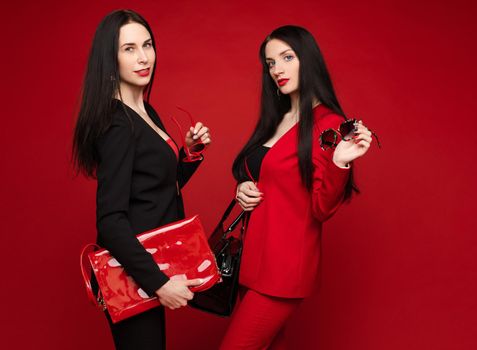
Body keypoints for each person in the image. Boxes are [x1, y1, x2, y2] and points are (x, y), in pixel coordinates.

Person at [221, 25, 374, 349]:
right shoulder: (276, 118)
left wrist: (340, 163)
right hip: (251, 263)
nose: (277, 69)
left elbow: (320, 208)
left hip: (283, 269)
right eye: (270, 63)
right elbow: (261, 173)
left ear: (308, 59)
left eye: (287, 57)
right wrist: (243, 187)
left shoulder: (328, 124)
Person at [72, 9, 211, 350]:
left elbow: (155, 190)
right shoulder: (117, 124)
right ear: (111, 59)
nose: (143, 57)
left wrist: (189, 154)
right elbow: (110, 220)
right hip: (134, 272)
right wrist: (159, 283)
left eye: (147, 45)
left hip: (150, 264)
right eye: (129, 49)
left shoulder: (146, 112)